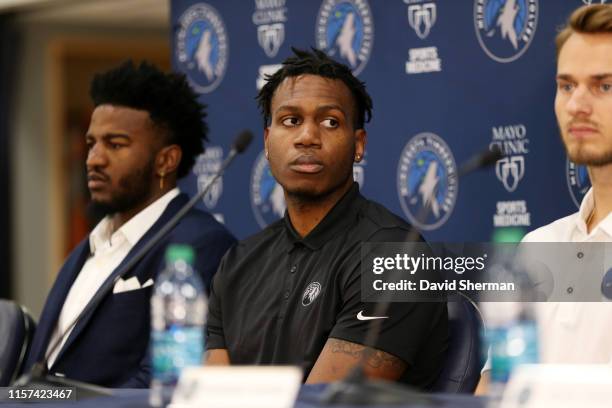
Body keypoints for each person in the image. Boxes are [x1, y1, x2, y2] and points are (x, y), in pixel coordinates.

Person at [205, 48, 448, 389]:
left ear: (358, 144)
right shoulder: (237, 263)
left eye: (330, 121)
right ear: (267, 140)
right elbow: (213, 396)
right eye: (290, 120)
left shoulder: (394, 254)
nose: (307, 137)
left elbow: (327, 401)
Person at [24, 61, 236, 388]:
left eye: (116, 144)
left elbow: (163, 381)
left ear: (166, 160)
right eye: (92, 143)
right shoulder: (89, 246)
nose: (94, 158)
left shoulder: (202, 244)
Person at [477, 4, 612, 393]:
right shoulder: (536, 247)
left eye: (605, 86)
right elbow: (494, 387)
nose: (576, 105)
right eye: (567, 85)